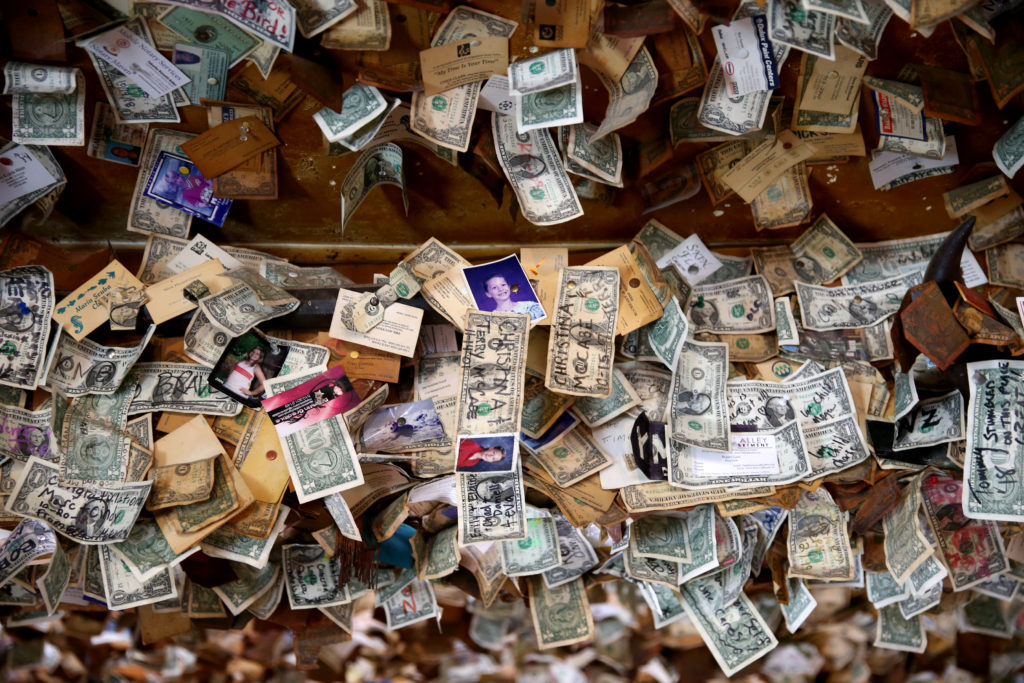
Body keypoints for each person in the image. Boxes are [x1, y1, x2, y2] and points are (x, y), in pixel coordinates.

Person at [481, 274, 545, 321]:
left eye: (503, 285)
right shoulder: (492, 318)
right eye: (494, 287)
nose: (500, 289)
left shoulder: (530, 306)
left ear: (509, 286)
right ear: (488, 294)